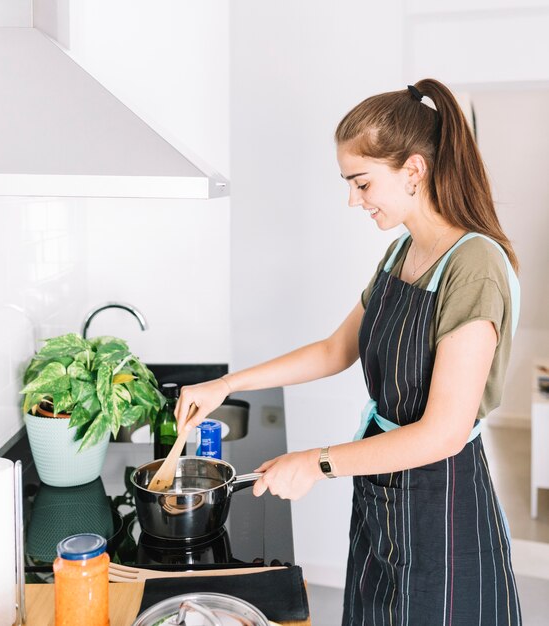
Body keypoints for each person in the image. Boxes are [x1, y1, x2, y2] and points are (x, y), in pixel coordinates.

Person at [174, 78, 522, 625]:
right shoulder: (401, 251)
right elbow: (339, 348)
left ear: (413, 170)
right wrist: (226, 384)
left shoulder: (473, 265)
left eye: (362, 183)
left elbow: (444, 432)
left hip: (442, 507)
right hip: (381, 491)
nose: (353, 199)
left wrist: (316, 463)